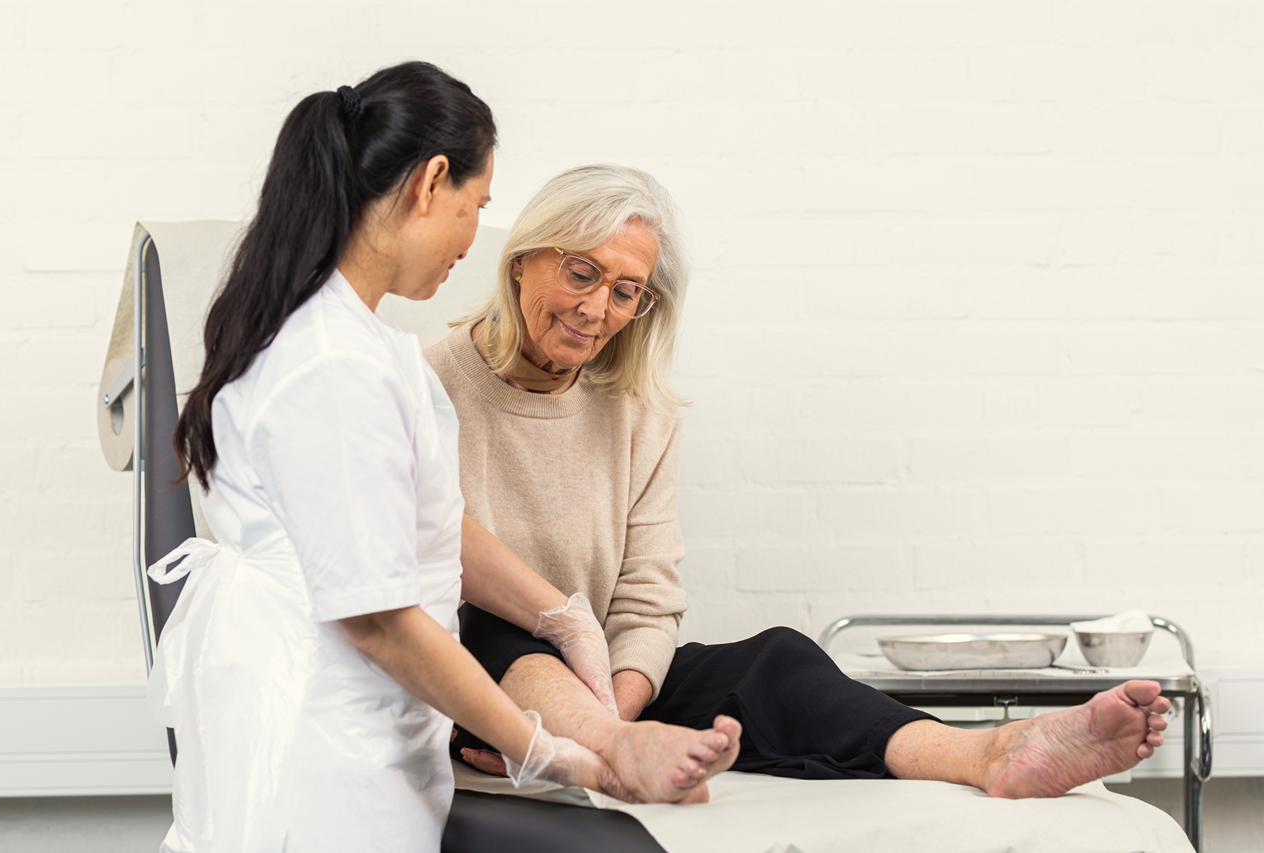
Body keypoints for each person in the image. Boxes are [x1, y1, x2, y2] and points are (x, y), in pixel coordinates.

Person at [426, 163, 1172, 802]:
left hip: (599, 697)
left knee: (775, 659)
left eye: (626, 292)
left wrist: (617, 714)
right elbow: (420, 578)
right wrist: (581, 720)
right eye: (582, 272)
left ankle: (991, 754)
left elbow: (647, 599)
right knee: (486, 620)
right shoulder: (423, 383)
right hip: (470, 687)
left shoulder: (637, 413)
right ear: (523, 256)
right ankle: (614, 748)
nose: (596, 310)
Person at [154, 66, 738, 853]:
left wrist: (562, 616)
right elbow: (381, 619)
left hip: (364, 729)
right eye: (479, 207)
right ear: (433, 182)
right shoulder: (332, 366)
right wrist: (550, 749)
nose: (474, 239)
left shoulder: (364, 346)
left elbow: (427, 524)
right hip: (318, 744)